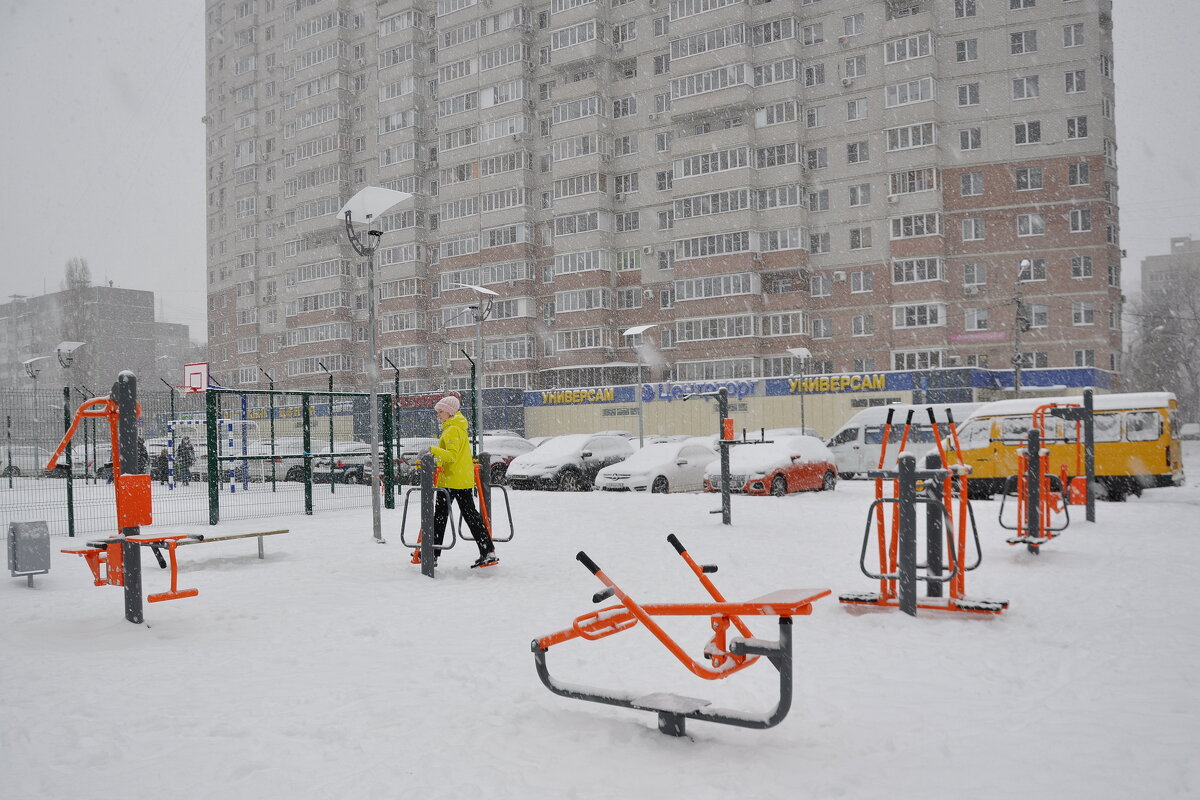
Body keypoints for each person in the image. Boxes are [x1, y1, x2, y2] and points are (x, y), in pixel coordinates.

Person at [429, 395, 497, 568]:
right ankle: (487, 550)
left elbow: (451, 456)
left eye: (441, 411)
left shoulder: (452, 430)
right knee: (470, 515)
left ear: (450, 412)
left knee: (440, 517)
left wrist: (431, 451)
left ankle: (432, 553)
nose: (438, 414)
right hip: (462, 479)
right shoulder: (458, 428)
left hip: (452, 480)